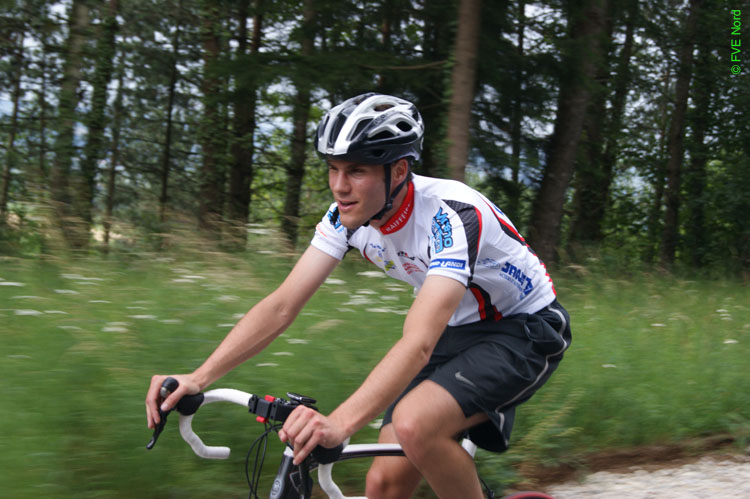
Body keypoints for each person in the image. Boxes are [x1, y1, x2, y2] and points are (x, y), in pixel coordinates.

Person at [146, 93, 571, 498]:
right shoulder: (346, 218)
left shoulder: (451, 216)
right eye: (333, 169)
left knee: (415, 425)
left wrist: (339, 424)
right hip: (457, 329)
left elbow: (418, 343)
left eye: (356, 171)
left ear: (398, 171)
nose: (339, 186)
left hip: (523, 329)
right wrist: (199, 377)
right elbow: (281, 305)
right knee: (382, 486)